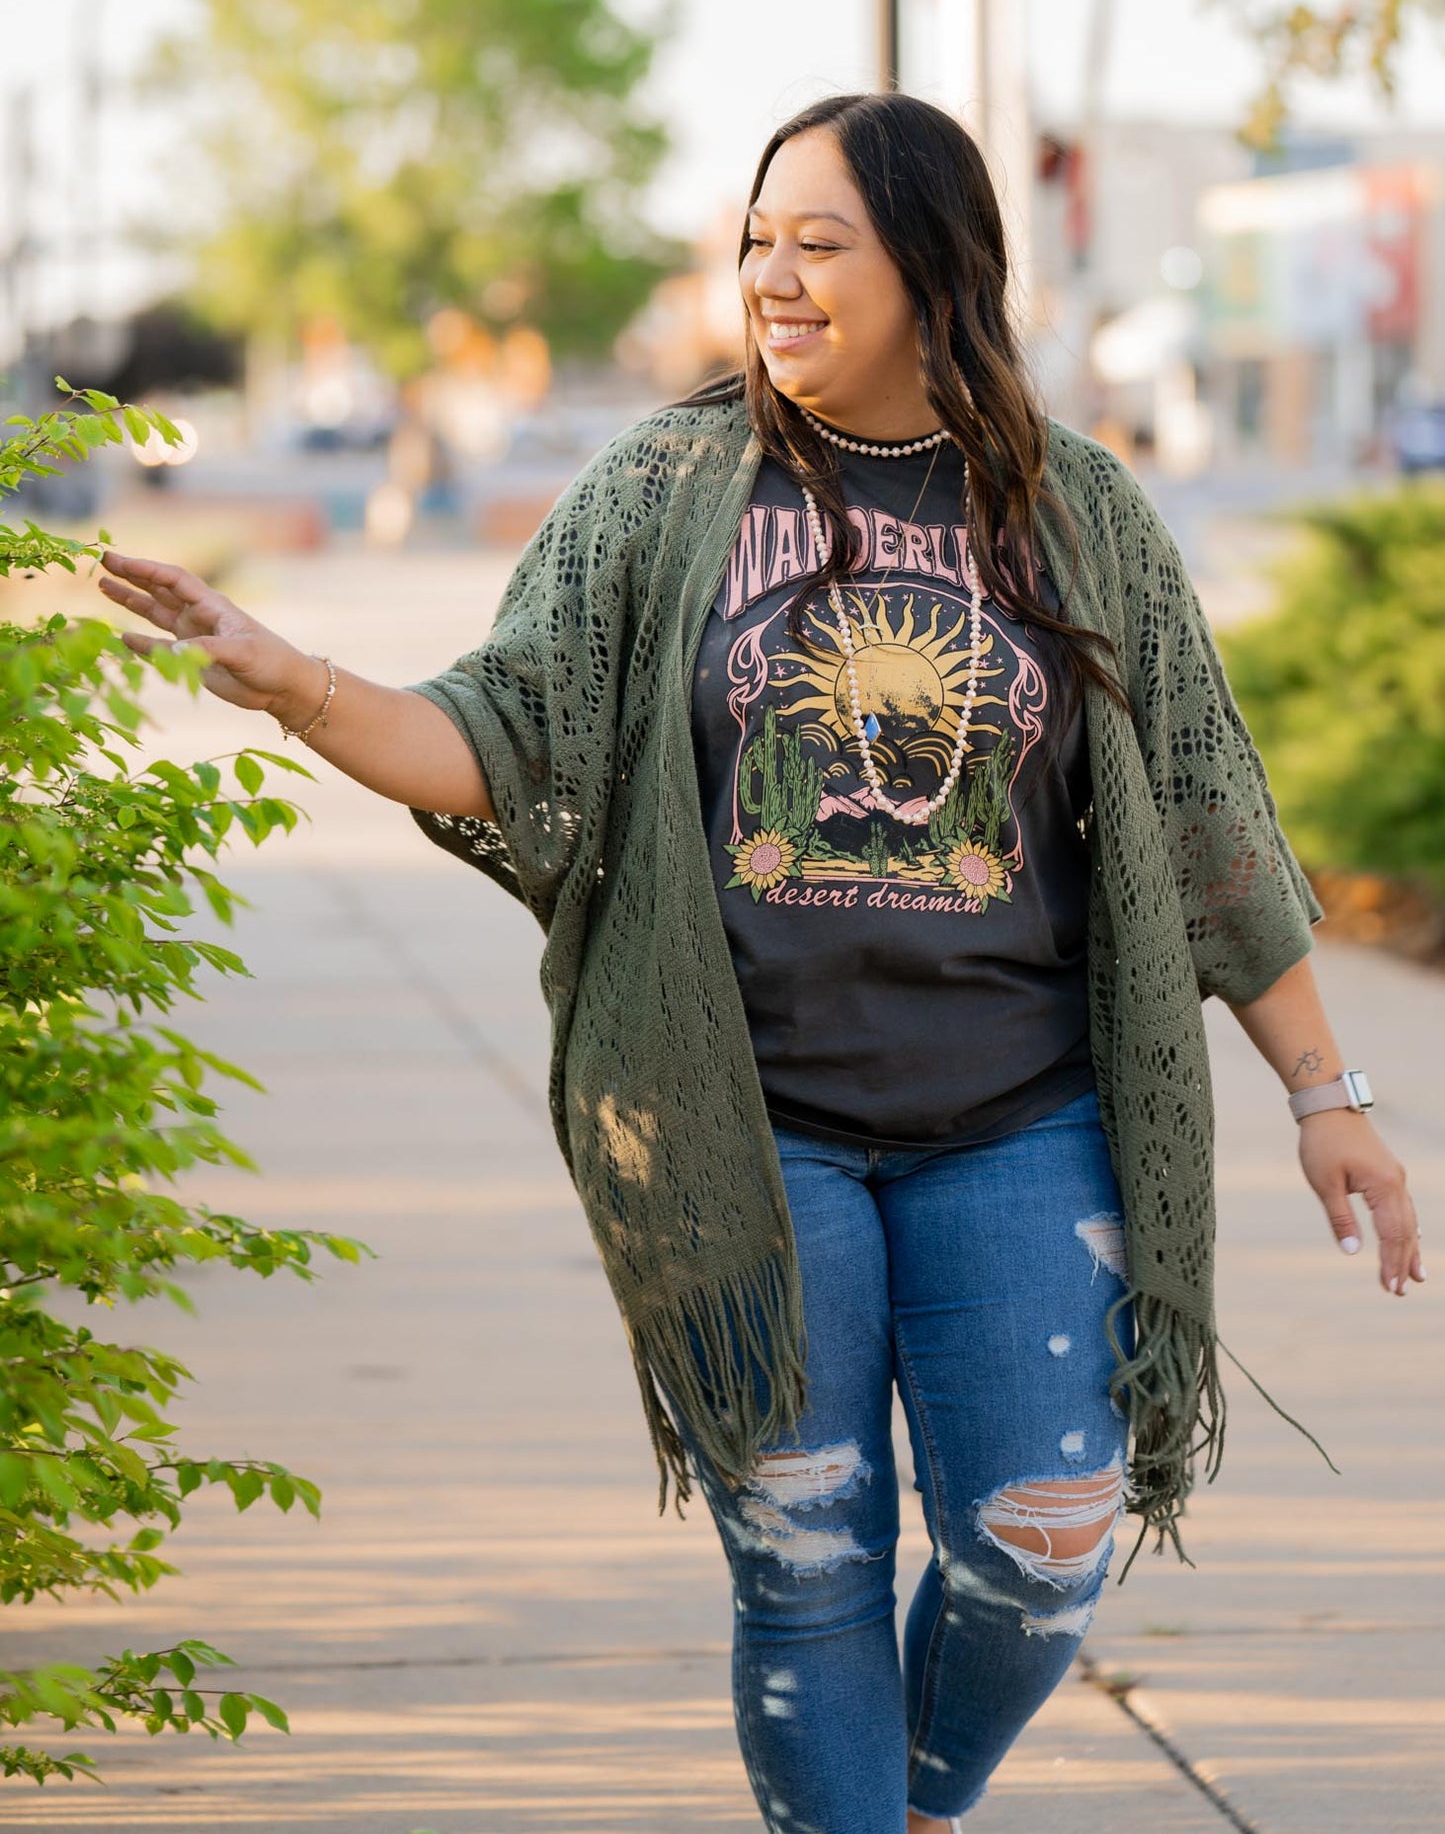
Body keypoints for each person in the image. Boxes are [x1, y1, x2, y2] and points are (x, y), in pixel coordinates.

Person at [98, 92, 1423, 1833]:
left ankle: (916, 1802)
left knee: (1042, 1543)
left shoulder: (1076, 510)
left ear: (936, 269)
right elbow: (503, 737)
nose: (770, 279)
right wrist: (300, 683)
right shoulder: (662, 490)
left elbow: (1202, 817)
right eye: (755, 240)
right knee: (805, 1562)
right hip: (742, 1125)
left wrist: (1326, 1092)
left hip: (1019, 1122)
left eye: (819, 243)